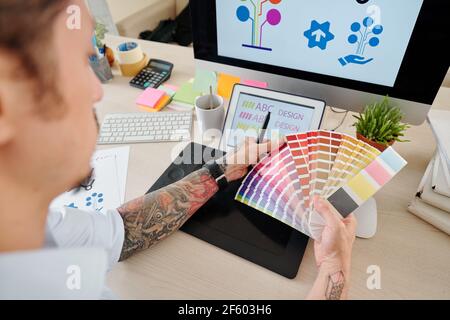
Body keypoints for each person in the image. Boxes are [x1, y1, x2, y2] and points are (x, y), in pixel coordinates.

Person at [0, 0, 356, 300]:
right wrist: (333, 268)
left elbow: (123, 232)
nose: (97, 91)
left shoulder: (36, 230)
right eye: (77, 63)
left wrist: (222, 169)